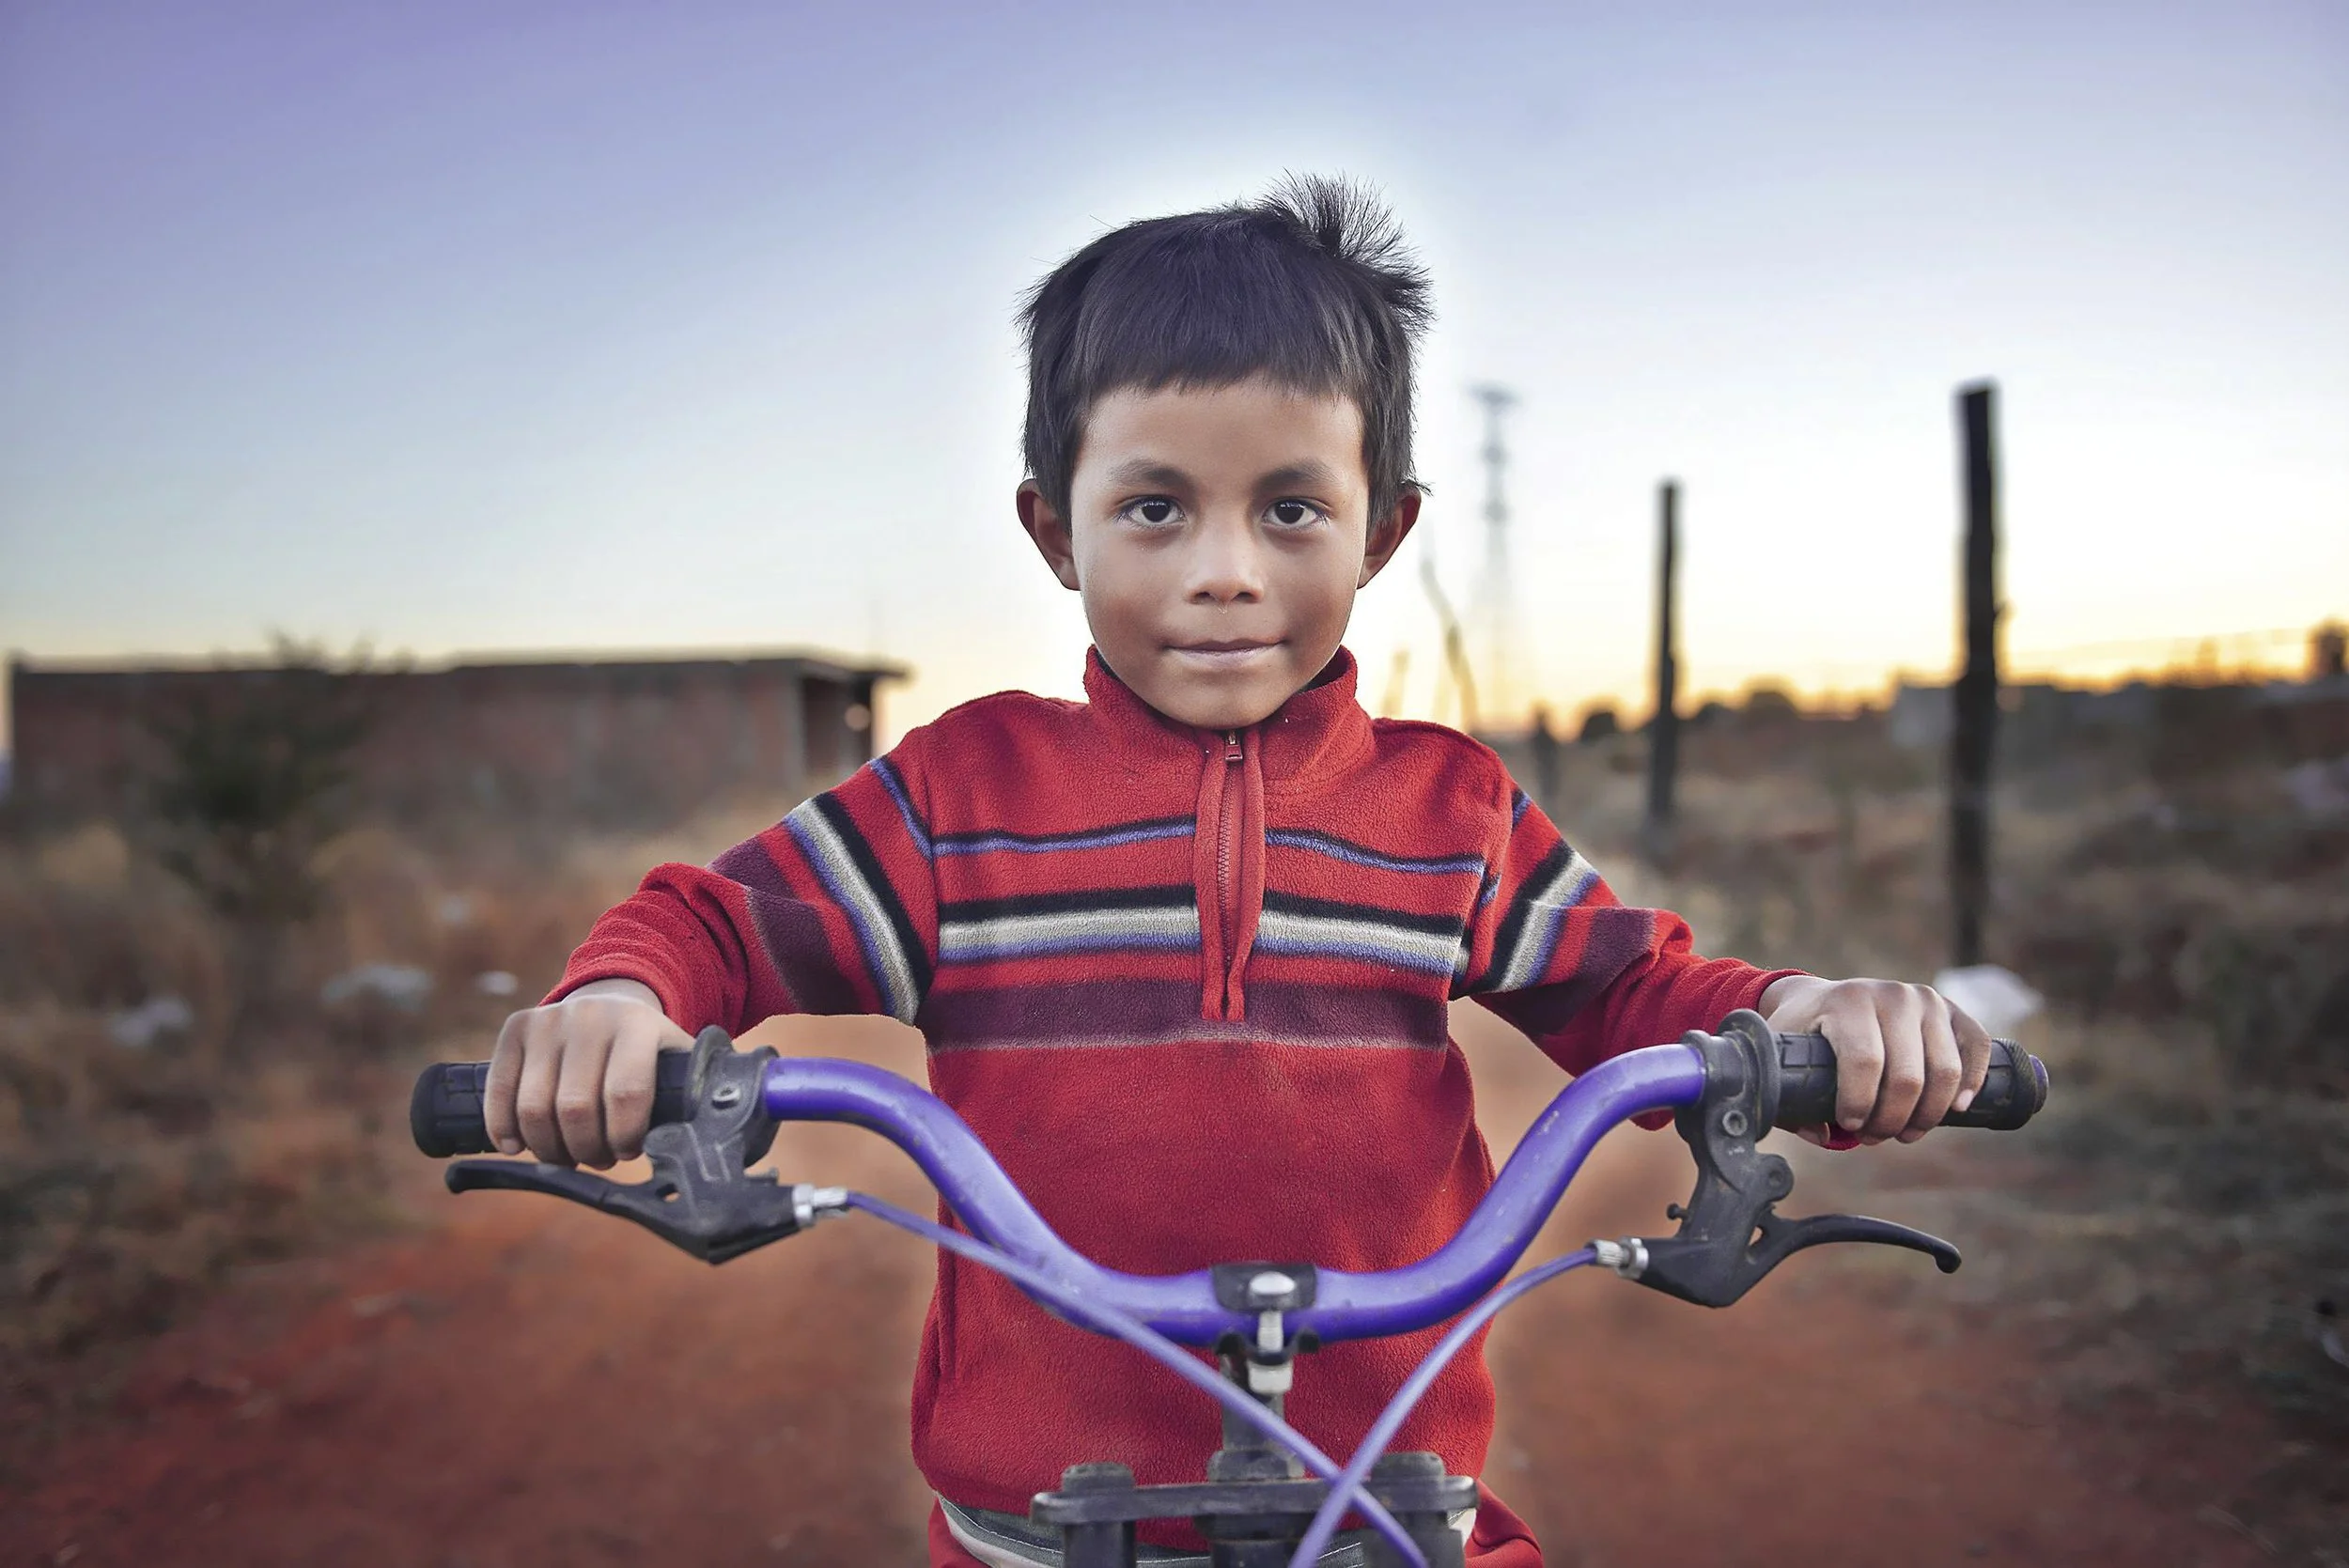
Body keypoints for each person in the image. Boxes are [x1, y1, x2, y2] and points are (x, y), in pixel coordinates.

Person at [481, 177, 1993, 1567]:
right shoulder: (964, 796)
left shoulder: (1445, 810)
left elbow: (1642, 989)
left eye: (1291, 508)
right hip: (1043, 1522)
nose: (1225, 571)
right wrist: (621, 997)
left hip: (1387, 1504)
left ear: (1381, 532)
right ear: (1053, 532)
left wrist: (1810, 1016)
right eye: (1155, 508)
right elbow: (715, 924)